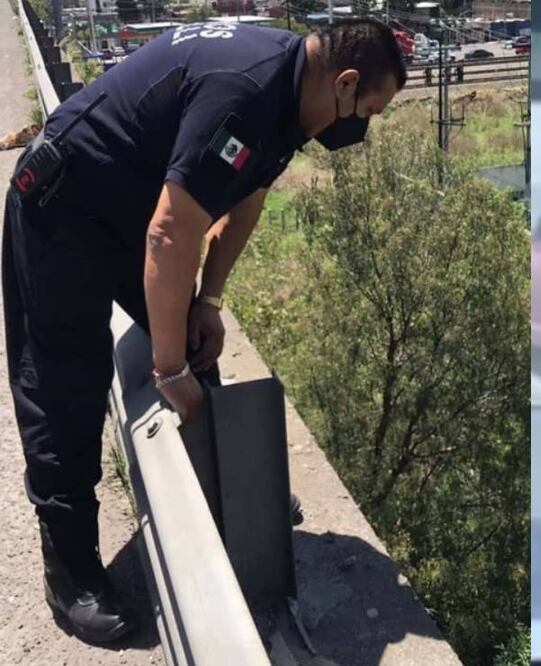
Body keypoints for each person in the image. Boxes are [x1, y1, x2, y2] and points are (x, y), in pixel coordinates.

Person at [3, 19, 405, 644]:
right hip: (63, 207)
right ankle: (73, 575)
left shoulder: (293, 94)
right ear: (345, 82)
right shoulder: (247, 89)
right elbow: (169, 233)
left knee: (194, 337)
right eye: (369, 109)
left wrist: (209, 301)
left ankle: (230, 499)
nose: (363, 126)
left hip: (124, 209)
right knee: (65, 390)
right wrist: (166, 372)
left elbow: (246, 201)